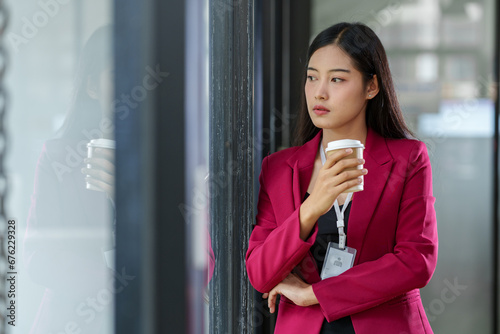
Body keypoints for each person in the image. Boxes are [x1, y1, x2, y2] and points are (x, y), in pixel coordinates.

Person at [245, 22, 438, 334]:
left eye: (336, 79)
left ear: (371, 86)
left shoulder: (408, 158)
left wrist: (314, 294)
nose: (319, 92)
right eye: (311, 77)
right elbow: (260, 273)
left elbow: (417, 261)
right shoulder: (279, 168)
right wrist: (311, 208)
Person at [24, 26, 115, 334]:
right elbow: (38, 257)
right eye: (119, 74)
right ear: (92, 86)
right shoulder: (59, 157)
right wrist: (114, 282)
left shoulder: (165, 158)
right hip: (75, 321)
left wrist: (125, 195)